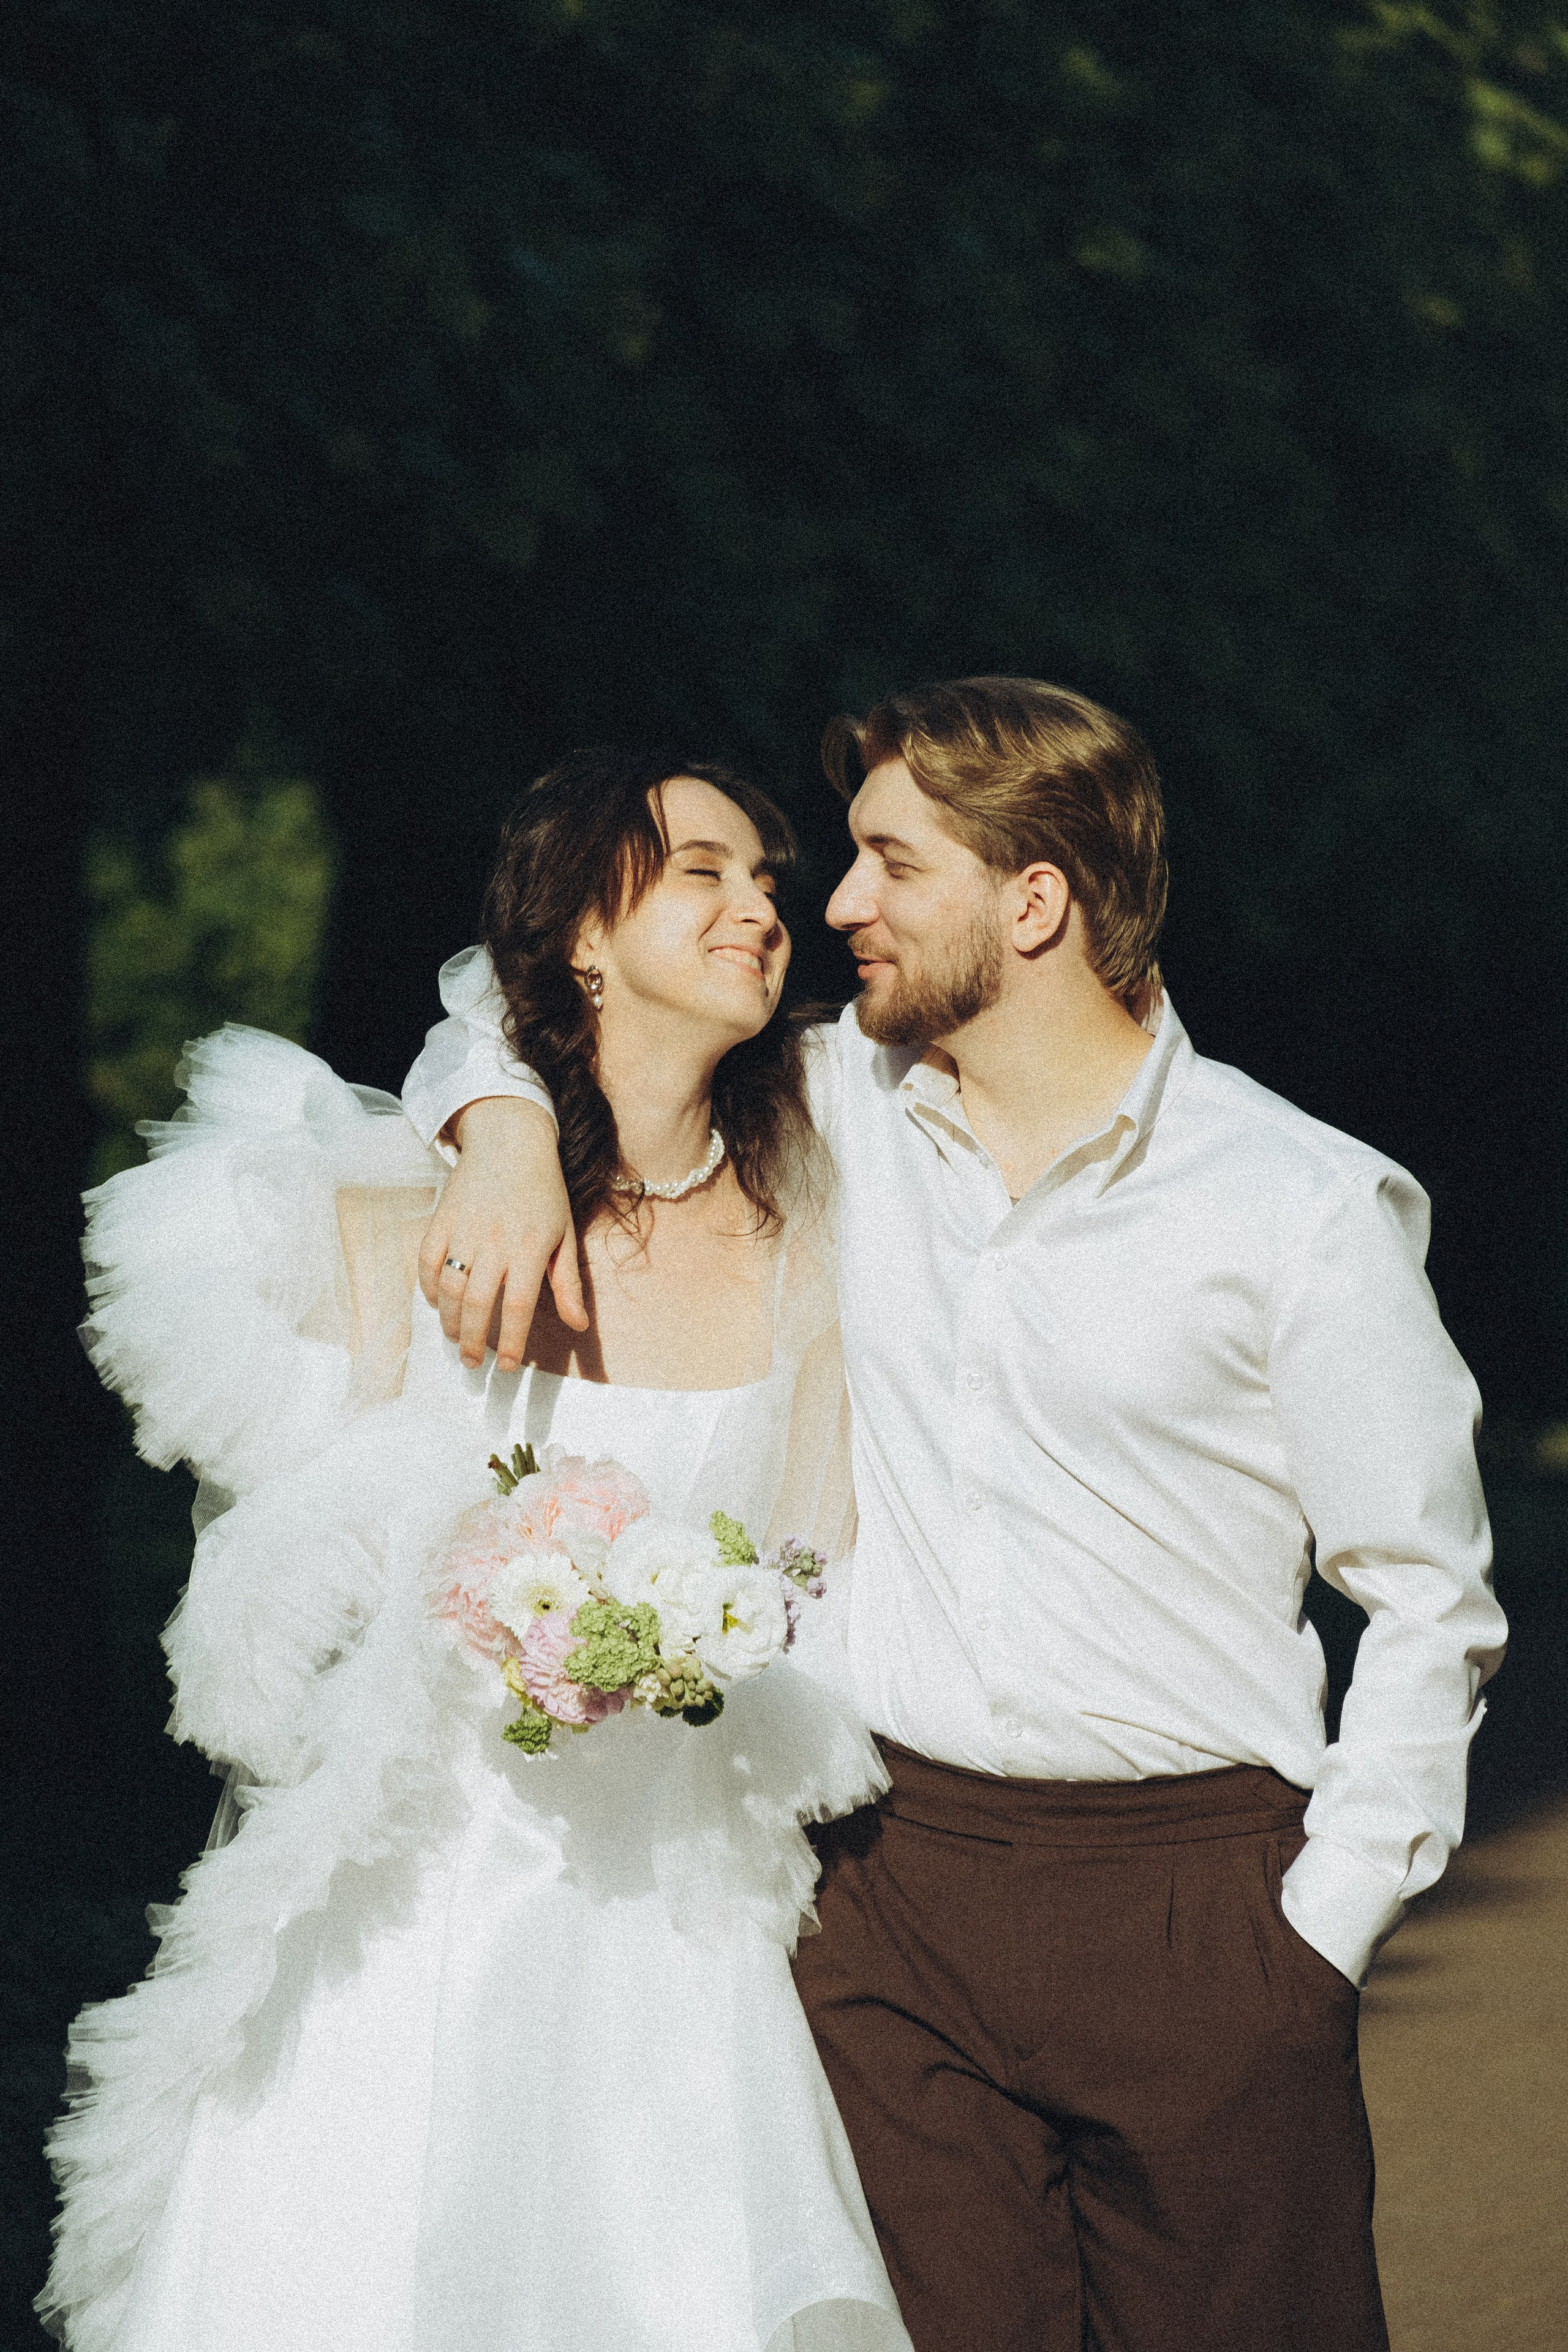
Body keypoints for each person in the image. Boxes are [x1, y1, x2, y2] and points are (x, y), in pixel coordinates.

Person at [407, 676, 1509, 2352]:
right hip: (889, 1897)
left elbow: (1432, 1603)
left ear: (1035, 901)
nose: (831, 904)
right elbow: (559, 999)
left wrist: (1314, 1943)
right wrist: (492, 1130)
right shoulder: (837, 1104)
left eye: (884, 864)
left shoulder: (1300, 1209)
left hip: (1196, 1905)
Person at [41, 753, 913, 2352]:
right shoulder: (415, 1215)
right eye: (705, 871)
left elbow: (819, 1569)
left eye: (769, 880)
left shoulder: (817, 1237)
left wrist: (704, 1637)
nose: (761, 906)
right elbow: (259, 1599)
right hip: (400, 1910)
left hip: (668, 1923)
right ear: (584, 939)